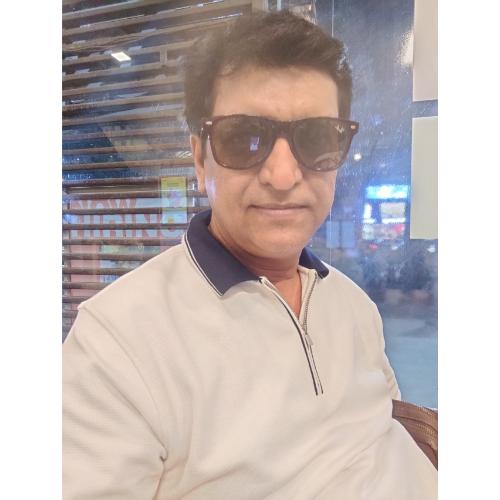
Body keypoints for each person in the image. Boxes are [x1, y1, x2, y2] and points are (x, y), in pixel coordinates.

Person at [63, 10, 437, 499]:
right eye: (243, 138)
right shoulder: (116, 344)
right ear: (200, 160)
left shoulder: (354, 306)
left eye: (316, 138)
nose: (283, 176)